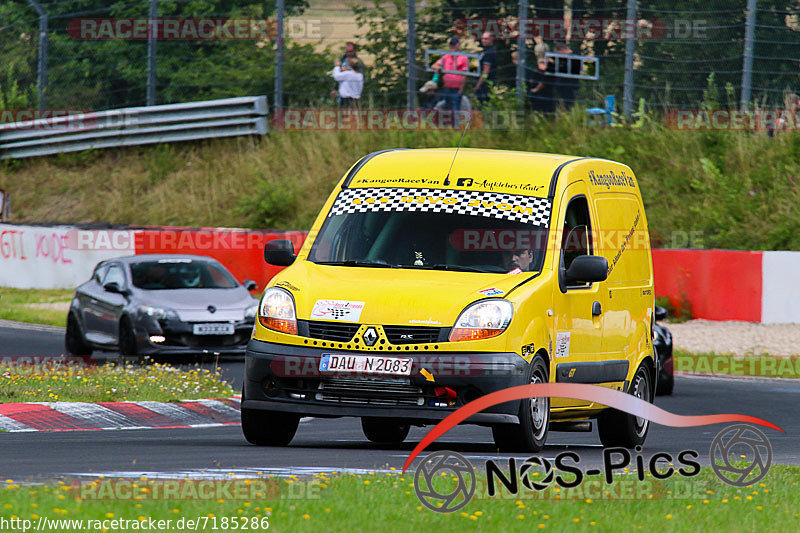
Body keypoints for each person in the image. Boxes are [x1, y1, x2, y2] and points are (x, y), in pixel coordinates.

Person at [432, 37, 468, 119]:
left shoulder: (463, 58)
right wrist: (438, 68)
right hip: (447, 87)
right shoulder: (446, 57)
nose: (453, 48)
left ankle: (456, 127)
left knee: (456, 108)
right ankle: (448, 126)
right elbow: (434, 65)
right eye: (451, 46)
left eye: (454, 46)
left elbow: (464, 74)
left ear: (458, 46)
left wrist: (461, 89)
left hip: (457, 88)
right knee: (447, 107)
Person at [553, 41, 581, 110]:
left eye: (558, 54)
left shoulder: (573, 58)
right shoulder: (568, 58)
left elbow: (564, 69)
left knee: (568, 107)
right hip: (564, 86)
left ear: (562, 50)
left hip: (569, 87)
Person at [474, 32, 497, 108]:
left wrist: (478, 85)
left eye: (486, 39)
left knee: (483, 105)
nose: (484, 40)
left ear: (491, 39)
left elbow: (485, 71)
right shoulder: (485, 51)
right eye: (483, 38)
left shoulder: (490, 53)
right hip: (483, 84)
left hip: (485, 85)